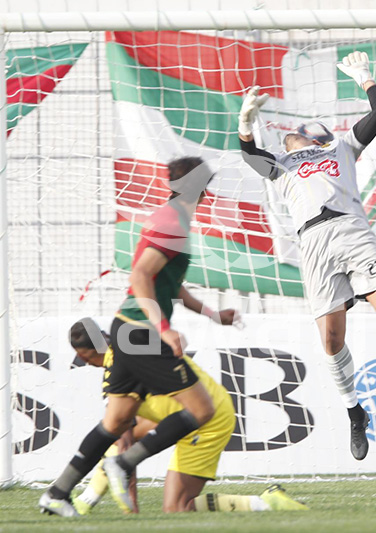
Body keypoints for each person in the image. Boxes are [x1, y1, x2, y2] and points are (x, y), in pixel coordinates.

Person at [40, 156, 239, 517]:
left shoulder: (172, 219)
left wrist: (211, 314)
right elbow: (141, 277)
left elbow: (169, 285)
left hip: (126, 329)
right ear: (202, 189)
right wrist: (164, 330)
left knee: (115, 421)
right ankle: (123, 463)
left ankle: (58, 491)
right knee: (202, 408)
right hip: (141, 333)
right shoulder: (173, 223)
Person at [238, 52, 376, 461]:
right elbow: (248, 155)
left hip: (352, 230)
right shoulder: (280, 166)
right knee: (331, 341)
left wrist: (365, 77)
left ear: (316, 138)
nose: (289, 137)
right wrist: (245, 124)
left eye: (297, 133)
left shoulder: (342, 148)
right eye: (287, 136)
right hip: (313, 245)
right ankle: (355, 412)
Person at [70, 319, 308, 514]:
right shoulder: (130, 341)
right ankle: (86, 498)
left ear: (83, 356)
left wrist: (130, 511)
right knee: (120, 435)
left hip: (206, 421)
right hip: (195, 410)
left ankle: (265, 503)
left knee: (177, 508)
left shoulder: (116, 373)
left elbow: (125, 449)